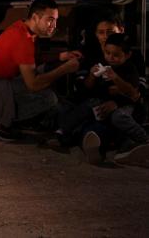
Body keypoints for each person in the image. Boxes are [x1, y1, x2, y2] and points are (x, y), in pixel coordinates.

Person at [0, 0, 81, 142]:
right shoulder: (23, 38)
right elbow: (33, 84)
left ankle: (4, 117)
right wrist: (64, 69)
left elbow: (30, 58)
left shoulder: (22, 27)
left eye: (55, 20)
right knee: (49, 98)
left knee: (46, 80)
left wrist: (61, 56)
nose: (54, 25)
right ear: (35, 17)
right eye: (50, 20)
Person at [58, 33, 148, 166]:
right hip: (100, 107)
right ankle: (65, 131)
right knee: (89, 108)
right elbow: (87, 88)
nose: (110, 57)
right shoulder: (99, 62)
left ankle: (143, 141)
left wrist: (116, 79)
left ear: (127, 55)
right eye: (107, 53)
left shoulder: (130, 68)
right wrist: (92, 75)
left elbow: (133, 93)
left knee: (118, 118)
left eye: (115, 55)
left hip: (123, 107)